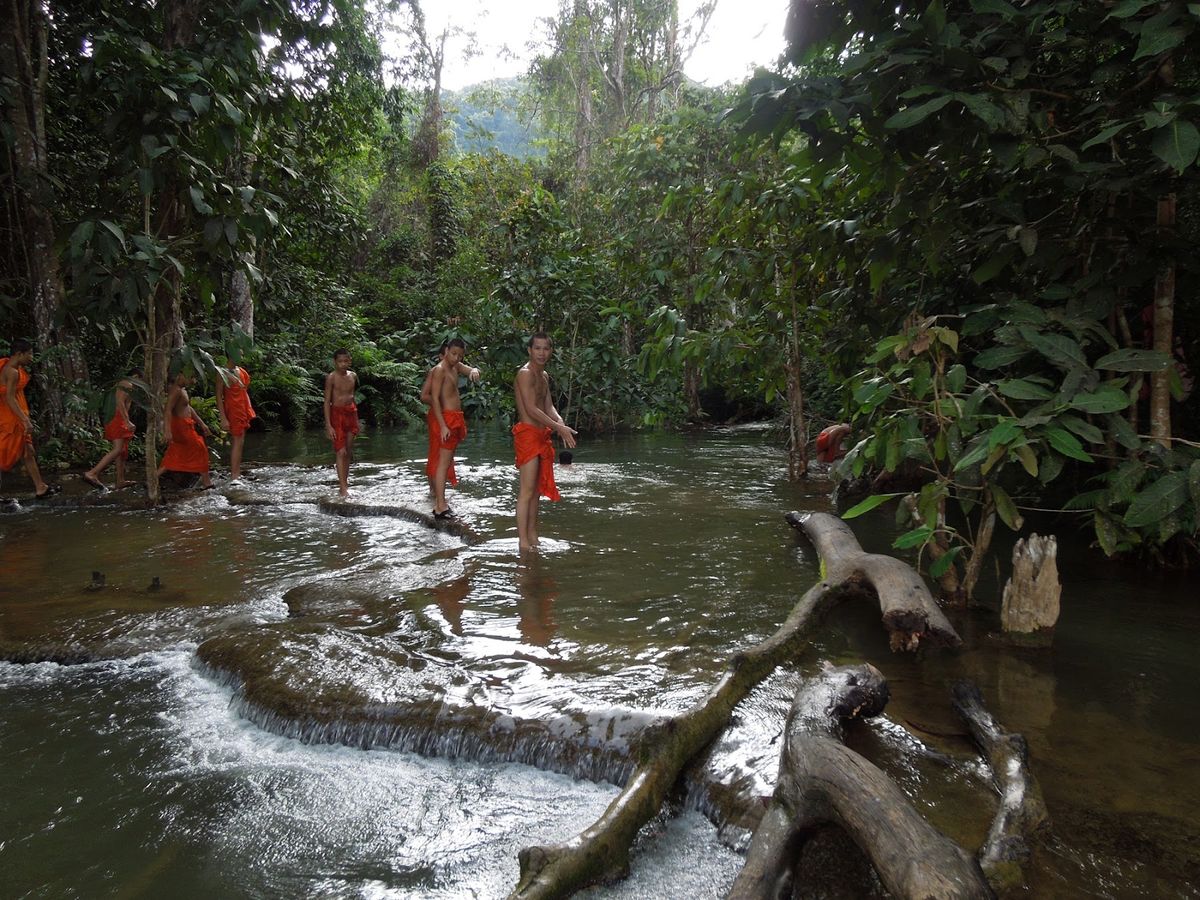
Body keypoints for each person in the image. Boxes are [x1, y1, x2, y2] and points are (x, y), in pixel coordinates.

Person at [513, 332, 577, 553]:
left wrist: (559, 422)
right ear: (530, 350)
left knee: (537, 491)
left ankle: (533, 536)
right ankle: (522, 542)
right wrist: (558, 427)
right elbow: (531, 408)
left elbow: (548, 405)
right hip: (528, 435)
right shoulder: (525, 374)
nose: (541, 353)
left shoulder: (544, 376)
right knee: (527, 490)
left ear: (551, 351)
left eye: (546, 348)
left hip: (542, 436)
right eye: (537, 348)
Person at [425, 338, 481, 519]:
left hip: (455, 418)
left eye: (460, 355)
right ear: (446, 351)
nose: (456, 358)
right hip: (446, 419)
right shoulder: (439, 370)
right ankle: (440, 506)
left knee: (446, 462)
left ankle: (441, 501)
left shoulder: (455, 366)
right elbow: (433, 398)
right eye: (454, 353)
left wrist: (474, 370)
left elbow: (468, 369)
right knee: (443, 463)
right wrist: (442, 425)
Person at [0, 339, 54, 498]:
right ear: (19, 354)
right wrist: (25, 420)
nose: (31, 357)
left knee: (28, 451)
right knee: (3, 454)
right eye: (29, 353)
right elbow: (10, 398)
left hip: (14, 413)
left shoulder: (6, 365)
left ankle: (40, 487)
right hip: (12, 417)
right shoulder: (12, 372)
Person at [83, 368, 140, 489]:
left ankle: (120, 480)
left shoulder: (125, 384)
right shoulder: (126, 384)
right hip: (117, 418)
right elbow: (119, 402)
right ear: (135, 376)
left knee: (122, 451)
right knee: (118, 449)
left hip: (119, 418)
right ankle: (92, 472)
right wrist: (127, 421)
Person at [158, 367, 213, 488]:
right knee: (200, 448)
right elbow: (168, 410)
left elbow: (188, 408)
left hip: (185, 424)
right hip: (180, 425)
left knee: (176, 450)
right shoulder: (176, 390)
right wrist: (167, 431)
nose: (193, 381)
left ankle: (154, 478)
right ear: (181, 375)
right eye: (191, 377)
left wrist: (201, 423)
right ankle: (206, 482)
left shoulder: (182, 389)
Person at [324, 348, 359, 498]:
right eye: (340, 361)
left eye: (346, 361)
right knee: (341, 451)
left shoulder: (353, 376)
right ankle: (343, 487)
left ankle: (345, 483)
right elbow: (326, 402)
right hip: (337, 414)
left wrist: (356, 419)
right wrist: (328, 425)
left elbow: (352, 396)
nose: (343, 364)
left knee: (348, 451)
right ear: (335, 362)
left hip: (351, 412)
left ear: (350, 361)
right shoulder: (331, 378)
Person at [215, 357, 256, 481]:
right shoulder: (222, 372)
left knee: (240, 441)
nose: (242, 358)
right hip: (233, 409)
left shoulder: (241, 371)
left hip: (242, 408)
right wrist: (223, 418)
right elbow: (218, 396)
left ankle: (236, 472)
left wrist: (249, 409)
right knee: (237, 441)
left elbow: (245, 391)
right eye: (240, 354)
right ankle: (234, 476)